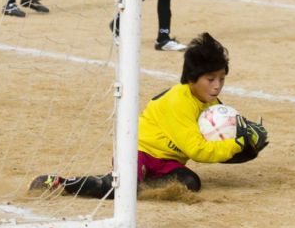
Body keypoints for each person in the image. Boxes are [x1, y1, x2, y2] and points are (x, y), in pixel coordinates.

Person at [28, 33, 269, 198]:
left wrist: (247, 149)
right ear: (192, 78)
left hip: (167, 162)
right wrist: (236, 145)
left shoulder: (212, 104)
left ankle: (143, 183)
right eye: (210, 79)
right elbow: (198, 150)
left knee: (191, 184)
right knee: (121, 188)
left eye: (222, 79)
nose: (217, 86)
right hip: (139, 151)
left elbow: (214, 145)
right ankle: (62, 183)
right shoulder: (179, 101)